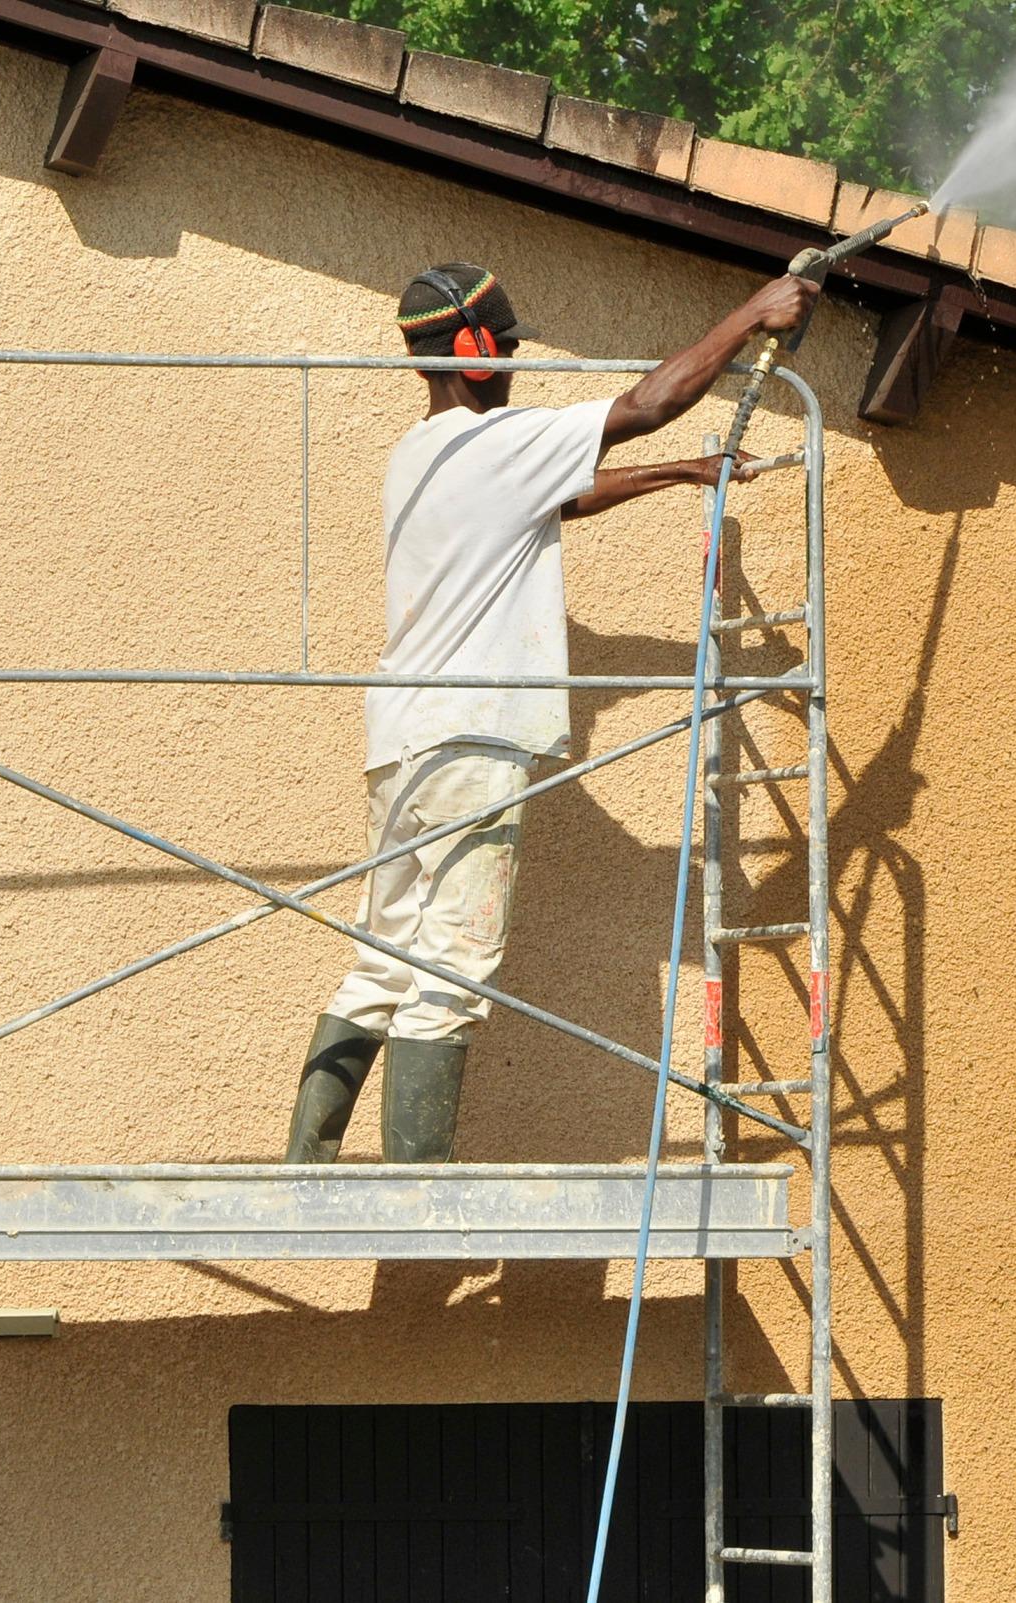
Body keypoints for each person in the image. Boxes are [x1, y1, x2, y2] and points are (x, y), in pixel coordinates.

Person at [284, 260, 821, 1163]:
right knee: (453, 966)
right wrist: (751, 315)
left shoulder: (420, 455)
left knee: (385, 956)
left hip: (404, 746)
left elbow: (558, 496)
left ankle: (307, 1162)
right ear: (472, 349)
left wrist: (680, 475)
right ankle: (417, 1194)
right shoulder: (493, 442)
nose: (515, 364)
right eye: (507, 347)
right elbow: (646, 402)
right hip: (472, 742)